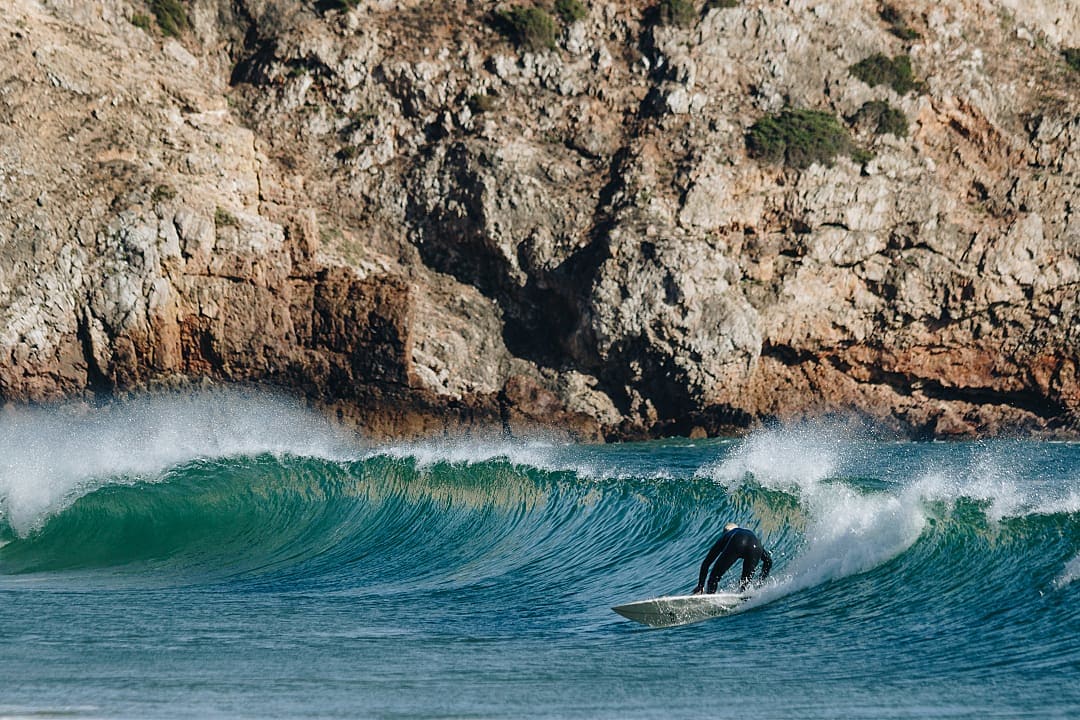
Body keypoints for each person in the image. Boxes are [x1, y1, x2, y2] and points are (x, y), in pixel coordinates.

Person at [692, 522, 772, 594]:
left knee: (714, 577)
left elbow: (707, 562)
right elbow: (768, 561)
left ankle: (709, 596)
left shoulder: (727, 535)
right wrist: (761, 580)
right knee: (745, 582)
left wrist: (700, 585)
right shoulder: (746, 533)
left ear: (725, 531)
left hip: (738, 541)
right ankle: (744, 596)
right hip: (757, 545)